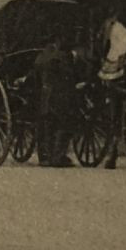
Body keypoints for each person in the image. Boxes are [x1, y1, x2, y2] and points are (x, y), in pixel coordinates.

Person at [34, 36, 75, 166]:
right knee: (62, 124)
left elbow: (35, 78)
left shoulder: (40, 57)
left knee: (45, 125)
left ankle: (44, 157)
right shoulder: (64, 57)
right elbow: (70, 76)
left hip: (45, 96)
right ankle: (58, 157)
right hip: (60, 96)